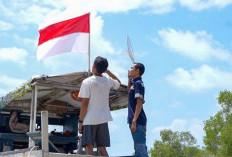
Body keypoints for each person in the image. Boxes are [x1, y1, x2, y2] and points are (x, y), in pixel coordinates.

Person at [78, 56, 121, 156]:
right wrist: (108, 72)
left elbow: (84, 104)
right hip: (103, 118)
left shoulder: (87, 82)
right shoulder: (107, 80)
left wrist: (80, 121)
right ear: (104, 69)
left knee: (89, 148)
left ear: (93, 67)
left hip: (89, 119)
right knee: (102, 148)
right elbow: (118, 82)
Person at [128, 63, 148, 157]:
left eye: (131, 68)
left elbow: (139, 103)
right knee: (139, 148)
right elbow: (129, 93)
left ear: (137, 71)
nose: (129, 69)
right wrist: (129, 80)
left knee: (140, 149)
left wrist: (134, 121)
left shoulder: (138, 84)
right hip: (135, 121)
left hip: (138, 121)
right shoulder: (134, 82)